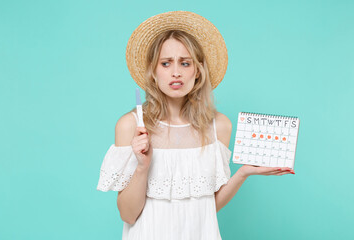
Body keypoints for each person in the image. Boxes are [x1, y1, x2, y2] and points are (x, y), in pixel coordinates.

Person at [97, 11, 295, 240]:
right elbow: (128, 215)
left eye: (185, 62)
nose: (176, 72)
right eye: (166, 63)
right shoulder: (130, 125)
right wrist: (142, 167)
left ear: (198, 71)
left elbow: (207, 208)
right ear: (153, 72)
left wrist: (243, 173)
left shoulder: (218, 126)